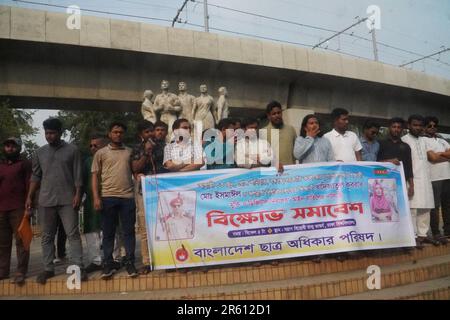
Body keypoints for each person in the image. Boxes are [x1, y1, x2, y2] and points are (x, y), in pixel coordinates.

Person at [25, 118, 86, 284]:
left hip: (68, 199)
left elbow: (78, 175)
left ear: (60, 133)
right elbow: (36, 176)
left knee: (73, 234)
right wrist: (30, 196)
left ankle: (78, 267)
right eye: (46, 133)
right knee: (46, 236)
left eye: (52, 133)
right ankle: (48, 268)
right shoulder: (39, 152)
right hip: (46, 200)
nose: (49, 136)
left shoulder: (72, 150)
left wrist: (78, 194)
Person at [92, 122, 138, 279]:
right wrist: (96, 197)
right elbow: (94, 176)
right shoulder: (101, 153)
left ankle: (130, 261)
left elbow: (135, 172)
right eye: (115, 132)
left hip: (127, 198)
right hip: (108, 197)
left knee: (129, 232)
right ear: (109, 134)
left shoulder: (129, 151)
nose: (118, 134)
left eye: (121, 132)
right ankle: (108, 263)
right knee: (108, 233)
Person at [401, 115, 440, 247]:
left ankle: (423, 235)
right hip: (411, 179)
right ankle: (413, 236)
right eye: (415, 125)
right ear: (408, 125)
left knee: (426, 208)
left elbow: (434, 156)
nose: (417, 128)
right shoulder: (404, 140)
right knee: (412, 208)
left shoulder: (424, 140)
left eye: (420, 125)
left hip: (425, 178)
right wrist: (409, 183)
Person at [0, 137, 31, 286]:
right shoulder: (1, 165)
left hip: (19, 208)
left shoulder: (24, 164)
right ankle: (3, 271)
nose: (9, 149)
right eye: (7, 146)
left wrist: (29, 206)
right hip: (1, 209)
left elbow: (30, 185)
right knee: (3, 242)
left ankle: (21, 271)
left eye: (12, 146)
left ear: (18, 148)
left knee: (21, 240)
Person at [131, 120, 156, 274]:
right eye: (147, 132)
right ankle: (147, 261)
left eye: (151, 131)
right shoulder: (135, 148)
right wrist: (146, 152)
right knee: (145, 228)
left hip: (162, 191)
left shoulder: (162, 146)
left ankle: (166, 258)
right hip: (143, 192)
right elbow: (135, 168)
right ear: (141, 134)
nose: (151, 134)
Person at [82, 134, 107, 274]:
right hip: (91, 201)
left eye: (95, 145)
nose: (92, 148)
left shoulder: (108, 158)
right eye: (90, 146)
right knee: (91, 231)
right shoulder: (87, 162)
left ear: (103, 146)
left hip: (108, 197)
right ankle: (95, 261)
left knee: (110, 229)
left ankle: (111, 259)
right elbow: (81, 181)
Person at [424, 116, 450, 244]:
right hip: (434, 178)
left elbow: (436, 156)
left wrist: (438, 154)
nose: (432, 128)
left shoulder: (442, 140)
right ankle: (436, 232)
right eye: (429, 126)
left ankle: (448, 231)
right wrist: (445, 155)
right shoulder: (423, 140)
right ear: (425, 127)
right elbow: (432, 158)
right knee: (435, 206)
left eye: (434, 126)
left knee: (447, 205)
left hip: (447, 176)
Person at [377, 118, 414, 199]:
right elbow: (374, 163)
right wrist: (388, 161)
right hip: (383, 182)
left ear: (402, 129)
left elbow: (409, 167)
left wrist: (411, 186)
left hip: (400, 184)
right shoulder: (380, 143)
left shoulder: (406, 146)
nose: (396, 129)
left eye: (399, 127)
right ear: (389, 128)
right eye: (394, 127)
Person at [262, 101, 297, 166]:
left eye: (279, 113)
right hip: (272, 172)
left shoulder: (291, 129)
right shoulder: (263, 132)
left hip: (290, 171)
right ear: (269, 116)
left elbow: (297, 152)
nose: (277, 115)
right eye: (274, 114)